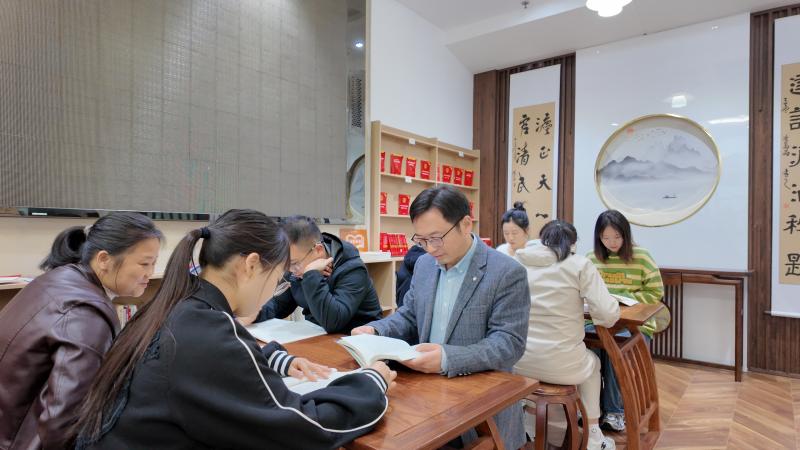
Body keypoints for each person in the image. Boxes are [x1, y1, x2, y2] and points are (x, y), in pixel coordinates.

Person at [71, 209, 395, 449]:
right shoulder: (209, 331)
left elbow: (221, 364)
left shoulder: (180, 305)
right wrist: (371, 381)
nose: (274, 291)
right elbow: (301, 426)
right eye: (277, 279)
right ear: (251, 265)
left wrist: (276, 359)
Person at [352, 185, 530, 449]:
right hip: (426, 397)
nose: (430, 248)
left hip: (480, 407)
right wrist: (376, 330)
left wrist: (447, 358)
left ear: (465, 224)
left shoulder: (506, 272)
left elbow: (508, 344)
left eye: (436, 238)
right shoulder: (424, 265)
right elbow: (409, 315)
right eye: (421, 240)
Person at [0, 212, 163, 450]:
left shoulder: (59, 278)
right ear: (104, 259)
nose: (150, 273)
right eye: (144, 263)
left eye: (154, 263)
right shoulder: (86, 315)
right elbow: (64, 424)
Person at [513, 220, 619, 450]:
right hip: (562, 365)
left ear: (542, 240)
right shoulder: (579, 264)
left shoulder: (518, 262)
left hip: (519, 361)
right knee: (594, 363)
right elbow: (607, 315)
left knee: (550, 367)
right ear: (572, 244)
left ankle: (530, 426)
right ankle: (593, 434)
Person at [586, 209, 668, 432]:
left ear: (626, 234)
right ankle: (590, 411)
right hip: (599, 322)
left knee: (617, 351)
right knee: (585, 352)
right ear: (598, 237)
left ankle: (615, 411)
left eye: (617, 237)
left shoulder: (642, 257)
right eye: (605, 238)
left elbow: (655, 293)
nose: (612, 243)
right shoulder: (591, 259)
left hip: (634, 325)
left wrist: (625, 300)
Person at [243, 215, 383, 333]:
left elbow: (333, 322)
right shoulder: (296, 266)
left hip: (355, 341)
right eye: (286, 264)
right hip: (316, 337)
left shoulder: (352, 269)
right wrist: (254, 314)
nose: (290, 270)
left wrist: (311, 274)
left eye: (294, 263)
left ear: (318, 250)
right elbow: (279, 305)